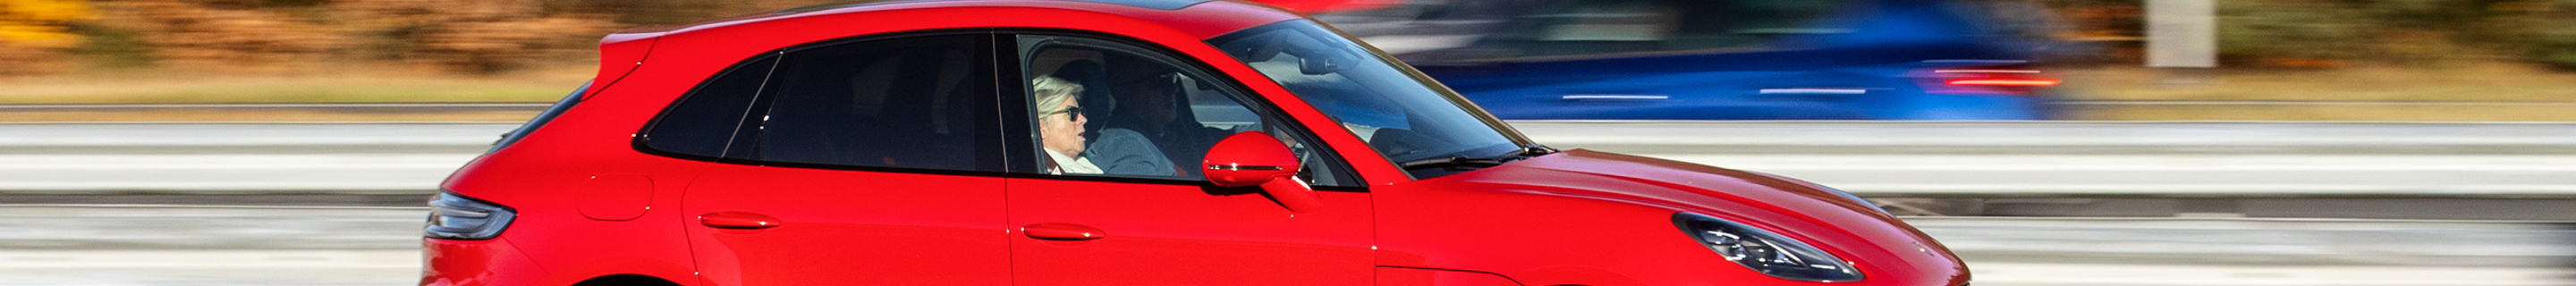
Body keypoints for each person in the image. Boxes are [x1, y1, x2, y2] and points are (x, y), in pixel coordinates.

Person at [1032, 76, 1102, 174]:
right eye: (1072, 112)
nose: (1083, 119)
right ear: (1041, 128)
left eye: (1081, 112)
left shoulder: (1084, 166)